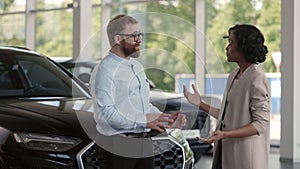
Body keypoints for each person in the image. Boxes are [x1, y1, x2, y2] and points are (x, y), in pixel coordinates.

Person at [90, 14, 186, 169]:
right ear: (118, 39)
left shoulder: (137, 67)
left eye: (140, 34)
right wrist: (145, 121)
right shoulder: (104, 70)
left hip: (143, 143)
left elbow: (143, 106)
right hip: (118, 147)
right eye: (134, 36)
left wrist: (165, 119)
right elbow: (105, 116)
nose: (139, 39)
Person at [183, 24, 270, 169]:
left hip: (245, 158)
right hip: (225, 152)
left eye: (231, 43)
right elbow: (228, 115)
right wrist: (200, 104)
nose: (227, 47)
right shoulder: (233, 75)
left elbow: (260, 124)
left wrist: (225, 134)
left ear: (244, 47)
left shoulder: (257, 78)